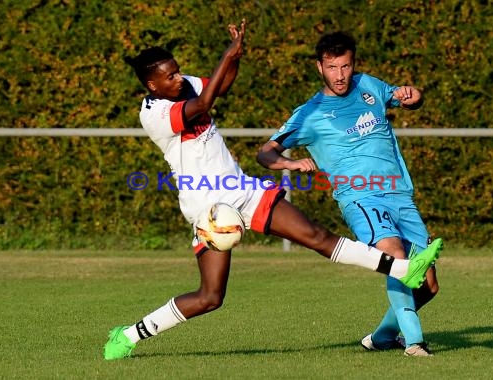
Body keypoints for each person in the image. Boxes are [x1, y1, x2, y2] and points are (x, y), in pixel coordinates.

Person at [104, 21, 442, 360]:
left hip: (244, 190)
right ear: (152, 84)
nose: (179, 78)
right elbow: (204, 105)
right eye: (171, 76)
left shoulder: (183, 86)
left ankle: (401, 269)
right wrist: (226, 54)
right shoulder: (155, 113)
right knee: (210, 297)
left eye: (178, 72)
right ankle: (129, 334)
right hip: (207, 204)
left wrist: (235, 57)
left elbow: (220, 87)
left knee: (315, 235)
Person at [257, 31, 440, 357]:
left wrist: (415, 95)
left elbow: (406, 97)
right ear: (319, 67)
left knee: (428, 285)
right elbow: (266, 152)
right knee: (396, 258)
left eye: (345, 66)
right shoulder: (309, 114)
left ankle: (383, 336)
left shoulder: (369, 86)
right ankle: (415, 343)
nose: (340, 75)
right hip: (360, 197)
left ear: (353, 64)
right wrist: (292, 162)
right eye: (332, 67)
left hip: (399, 193)